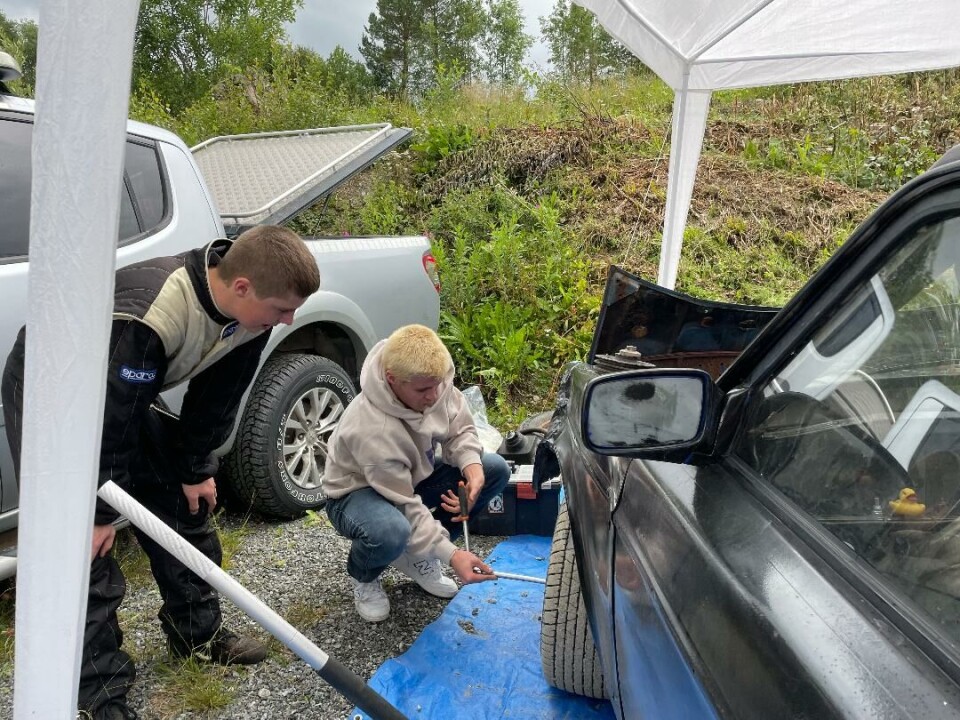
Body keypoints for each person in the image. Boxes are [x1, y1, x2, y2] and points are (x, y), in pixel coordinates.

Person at [1, 225, 320, 720]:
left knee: (181, 502)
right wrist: (97, 511)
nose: (289, 319)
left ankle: (198, 635)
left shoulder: (252, 320)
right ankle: (99, 695)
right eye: (283, 309)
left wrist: (193, 467)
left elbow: (216, 400)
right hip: (52, 392)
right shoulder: (151, 312)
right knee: (81, 550)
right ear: (242, 288)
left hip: (115, 400)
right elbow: (107, 420)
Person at [323, 324, 511, 622]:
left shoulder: (433, 380)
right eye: (424, 390)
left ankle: (416, 554)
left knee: (494, 469)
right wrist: (452, 555)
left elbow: (460, 430)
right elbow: (403, 502)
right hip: (355, 492)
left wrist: (472, 468)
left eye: (438, 385)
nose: (434, 396)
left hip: (407, 477)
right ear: (392, 380)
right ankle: (365, 575)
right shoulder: (371, 428)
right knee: (390, 531)